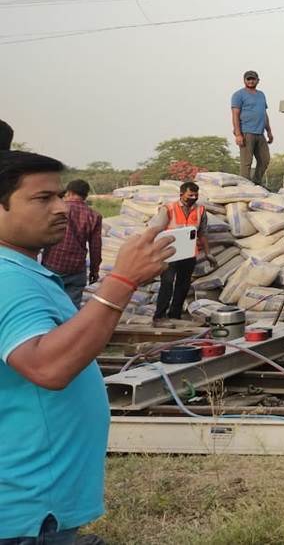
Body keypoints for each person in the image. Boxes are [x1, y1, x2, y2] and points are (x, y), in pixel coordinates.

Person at [0, 150, 171, 542]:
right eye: (43, 198)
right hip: (25, 512)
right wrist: (122, 281)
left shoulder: (24, 271)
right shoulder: (8, 279)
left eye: (60, 196)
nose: (62, 208)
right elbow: (47, 367)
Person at [147, 181, 208, 327]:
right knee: (167, 283)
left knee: (183, 284)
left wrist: (208, 252)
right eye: (190, 195)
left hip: (188, 252)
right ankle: (159, 317)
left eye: (196, 195)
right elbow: (156, 230)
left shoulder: (200, 210)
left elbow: (202, 233)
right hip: (170, 253)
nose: (193, 198)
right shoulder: (169, 208)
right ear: (181, 194)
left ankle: (175, 314)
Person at [40, 179, 103, 308]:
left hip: (53, 263)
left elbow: (39, 234)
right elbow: (95, 247)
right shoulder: (94, 216)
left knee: (49, 304)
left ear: (69, 192)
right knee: (71, 308)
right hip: (76, 268)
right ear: (85, 195)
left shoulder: (57, 210)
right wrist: (94, 270)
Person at [230, 70, 273, 186]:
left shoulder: (261, 95)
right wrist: (238, 134)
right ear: (244, 80)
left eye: (253, 79)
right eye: (248, 79)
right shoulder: (238, 95)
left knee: (265, 159)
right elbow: (235, 114)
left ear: (258, 80)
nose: (251, 81)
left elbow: (263, 113)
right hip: (246, 132)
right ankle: (245, 186)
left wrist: (269, 131)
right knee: (246, 163)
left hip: (260, 132)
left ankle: (256, 183)